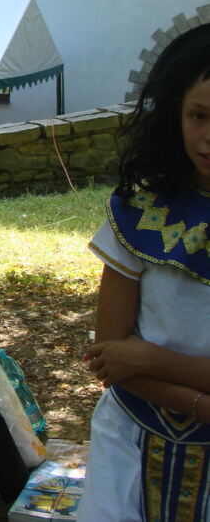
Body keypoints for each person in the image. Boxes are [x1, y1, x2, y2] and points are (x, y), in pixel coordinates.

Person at [78, 30, 210, 521]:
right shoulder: (141, 209)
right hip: (129, 438)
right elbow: (110, 358)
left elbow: (131, 358)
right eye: (199, 116)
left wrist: (151, 357)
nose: (209, 136)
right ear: (176, 113)